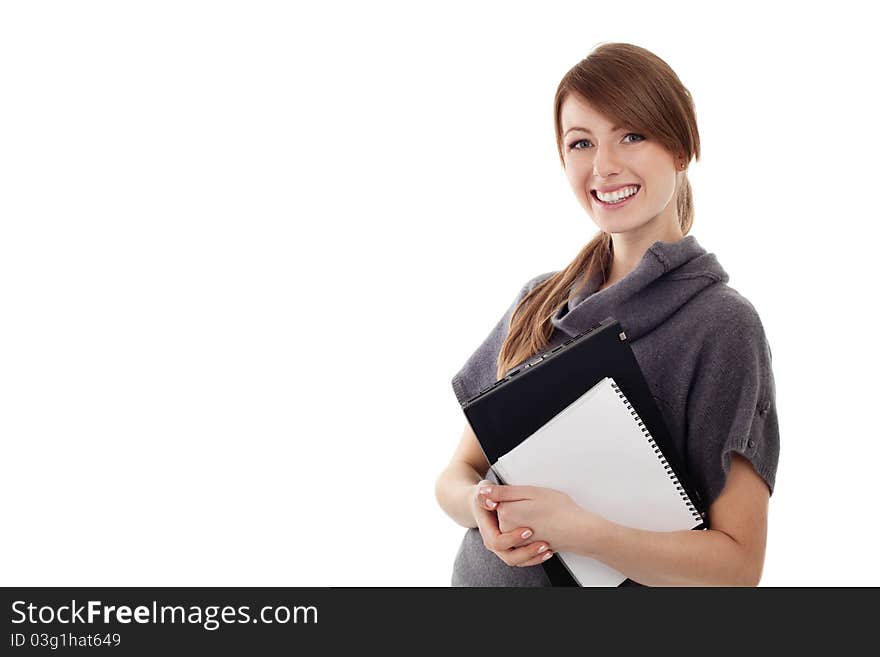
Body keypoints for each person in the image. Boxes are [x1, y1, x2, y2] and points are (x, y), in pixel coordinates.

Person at [434, 42, 780, 587]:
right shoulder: (540, 301)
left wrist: (582, 532)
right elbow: (457, 474)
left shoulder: (721, 325)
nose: (604, 166)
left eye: (632, 135)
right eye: (581, 143)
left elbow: (737, 568)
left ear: (682, 148)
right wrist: (481, 505)